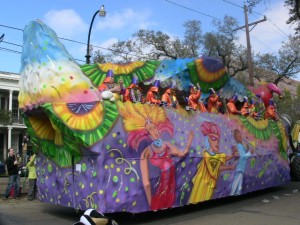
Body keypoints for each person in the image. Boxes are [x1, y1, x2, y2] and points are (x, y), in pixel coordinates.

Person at [117, 102, 194, 210]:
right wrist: (150, 205)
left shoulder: (167, 145)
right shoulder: (147, 152)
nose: (154, 131)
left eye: (154, 128)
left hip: (171, 193)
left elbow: (182, 153)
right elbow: (146, 183)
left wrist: (190, 140)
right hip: (159, 196)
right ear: (148, 133)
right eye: (150, 129)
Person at [189, 121, 237, 203]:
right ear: (207, 140)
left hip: (210, 185)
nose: (217, 142)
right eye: (213, 139)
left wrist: (232, 155)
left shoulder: (217, 155)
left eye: (218, 140)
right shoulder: (206, 154)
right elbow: (214, 169)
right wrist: (229, 167)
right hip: (202, 184)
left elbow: (223, 158)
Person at [230, 129, 253, 196]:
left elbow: (244, 151)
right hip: (239, 169)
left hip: (241, 169)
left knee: (239, 186)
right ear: (236, 138)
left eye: (241, 136)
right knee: (236, 184)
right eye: (239, 136)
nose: (241, 138)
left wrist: (248, 149)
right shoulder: (239, 146)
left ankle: (236, 194)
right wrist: (249, 153)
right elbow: (243, 156)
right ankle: (233, 194)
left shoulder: (241, 145)